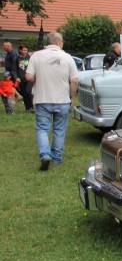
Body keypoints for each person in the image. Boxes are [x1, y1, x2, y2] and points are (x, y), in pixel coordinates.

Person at [25, 32, 79, 171]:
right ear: (57, 42)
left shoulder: (36, 56)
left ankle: (44, 154)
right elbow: (74, 81)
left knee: (42, 129)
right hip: (62, 99)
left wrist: (37, 79)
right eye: (62, 41)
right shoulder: (67, 57)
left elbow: (28, 76)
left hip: (42, 98)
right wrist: (71, 96)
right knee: (59, 130)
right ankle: (56, 158)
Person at [15, 44, 33, 112]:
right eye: (24, 50)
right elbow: (15, 69)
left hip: (29, 78)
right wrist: (16, 77)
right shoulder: (17, 58)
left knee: (28, 91)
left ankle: (31, 106)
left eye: (26, 50)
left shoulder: (29, 58)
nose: (25, 51)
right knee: (24, 93)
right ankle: (27, 108)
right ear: (20, 50)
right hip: (21, 79)